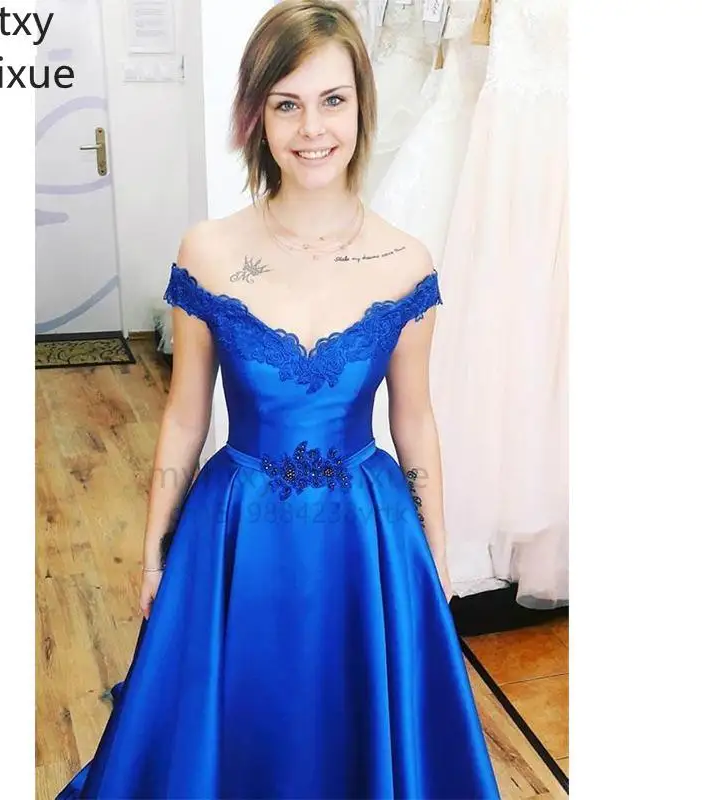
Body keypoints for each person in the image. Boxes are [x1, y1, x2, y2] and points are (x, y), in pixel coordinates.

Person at [56, 2, 499, 797]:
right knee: (234, 720)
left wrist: (434, 556)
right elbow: (186, 415)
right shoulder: (210, 251)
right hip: (237, 524)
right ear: (257, 114)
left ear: (362, 106)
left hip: (365, 530)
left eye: (333, 100)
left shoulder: (404, 261)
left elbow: (414, 419)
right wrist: (154, 550)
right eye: (286, 103)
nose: (312, 128)